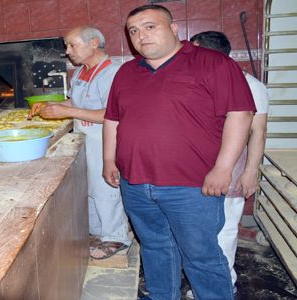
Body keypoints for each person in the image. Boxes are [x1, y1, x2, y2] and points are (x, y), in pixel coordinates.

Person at [102, 5, 256, 300]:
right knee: (155, 249)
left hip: (192, 186)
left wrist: (223, 168)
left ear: (174, 29)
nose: (141, 36)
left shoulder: (212, 63)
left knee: (201, 256)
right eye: (133, 31)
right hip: (135, 183)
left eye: (150, 27)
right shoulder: (126, 72)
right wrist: (109, 159)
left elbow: (241, 113)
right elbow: (113, 118)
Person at [29, 26, 132, 259]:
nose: (67, 51)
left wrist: (68, 112)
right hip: (85, 139)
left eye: (72, 45)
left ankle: (116, 237)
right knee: (89, 189)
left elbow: (112, 114)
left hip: (106, 141)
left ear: (94, 43)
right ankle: (98, 233)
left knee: (107, 189)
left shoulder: (112, 73)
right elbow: (75, 101)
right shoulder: (82, 72)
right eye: (67, 46)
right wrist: (49, 107)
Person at [187, 31, 269, 298]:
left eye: (194, 50)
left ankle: (224, 285)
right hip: (196, 170)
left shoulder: (250, 85)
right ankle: (205, 282)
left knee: (224, 230)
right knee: (200, 232)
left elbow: (258, 133)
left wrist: (250, 172)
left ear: (207, 53)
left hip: (231, 170)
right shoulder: (199, 81)